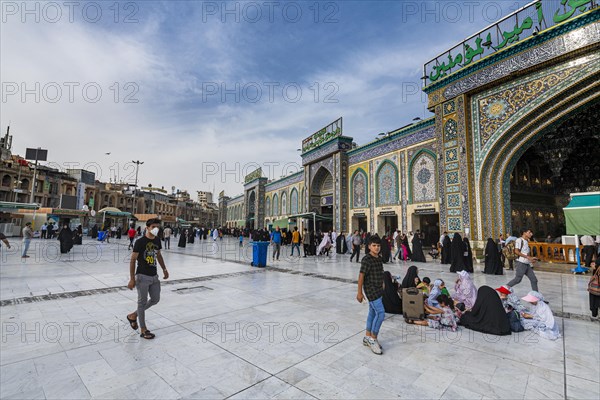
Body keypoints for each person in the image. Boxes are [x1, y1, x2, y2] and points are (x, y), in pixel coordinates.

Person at [126, 218, 169, 340]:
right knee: (142, 302)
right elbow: (133, 260)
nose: (156, 229)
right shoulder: (140, 242)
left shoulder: (157, 240)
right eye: (153, 226)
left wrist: (164, 269)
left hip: (154, 276)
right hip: (142, 276)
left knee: (155, 299)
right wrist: (132, 279)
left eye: (158, 227)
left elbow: (158, 255)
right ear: (147, 227)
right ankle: (143, 329)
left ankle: (133, 315)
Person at [357, 236, 385, 355]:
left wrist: (383, 283)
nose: (376, 248)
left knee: (372, 313)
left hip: (379, 289)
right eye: (374, 245)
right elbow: (361, 276)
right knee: (381, 313)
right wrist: (359, 292)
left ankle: (367, 337)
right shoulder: (366, 259)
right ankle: (373, 339)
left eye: (378, 245)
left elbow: (380, 271)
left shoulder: (379, 258)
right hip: (371, 290)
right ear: (369, 247)